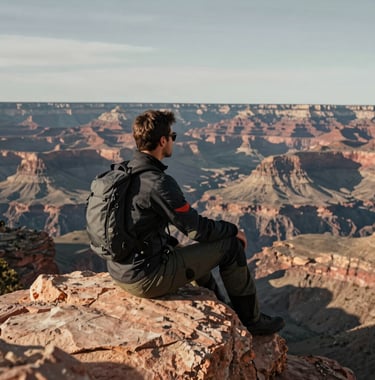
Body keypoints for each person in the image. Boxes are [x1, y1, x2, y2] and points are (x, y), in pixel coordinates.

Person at [107, 109, 285, 335]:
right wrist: (233, 230)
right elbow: (197, 230)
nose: (173, 141)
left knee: (183, 249)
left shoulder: (122, 172)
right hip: (144, 278)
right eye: (173, 137)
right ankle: (252, 320)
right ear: (163, 141)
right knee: (229, 247)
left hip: (120, 269)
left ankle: (220, 306)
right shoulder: (158, 182)